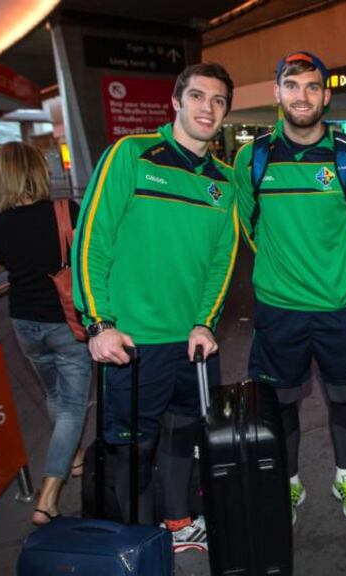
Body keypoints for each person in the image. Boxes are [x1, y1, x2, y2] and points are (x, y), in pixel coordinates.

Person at [72, 62, 239, 553]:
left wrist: (204, 323)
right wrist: (98, 323)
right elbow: (90, 242)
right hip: (131, 343)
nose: (207, 108)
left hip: (190, 344)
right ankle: (134, 545)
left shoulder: (223, 182)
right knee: (130, 452)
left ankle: (179, 522)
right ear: (176, 101)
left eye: (218, 101)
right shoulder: (131, 154)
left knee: (183, 439)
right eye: (197, 96)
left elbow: (220, 263)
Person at [232, 51, 346, 525]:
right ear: (277, 92)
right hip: (280, 310)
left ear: (326, 94)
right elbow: (246, 223)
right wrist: (281, 269)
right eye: (293, 85)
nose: (303, 95)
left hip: (338, 307)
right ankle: (291, 481)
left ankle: (345, 475)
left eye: (312, 86)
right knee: (282, 403)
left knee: (342, 397)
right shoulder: (252, 157)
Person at [0, 142, 89, 527]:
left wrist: (7, 262)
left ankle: (75, 455)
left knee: (53, 395)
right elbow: (90, 258)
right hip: (67, 323)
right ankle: (48, 496)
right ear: (39, 172)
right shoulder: (65, 211)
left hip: (24, 324)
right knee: (72, 407)